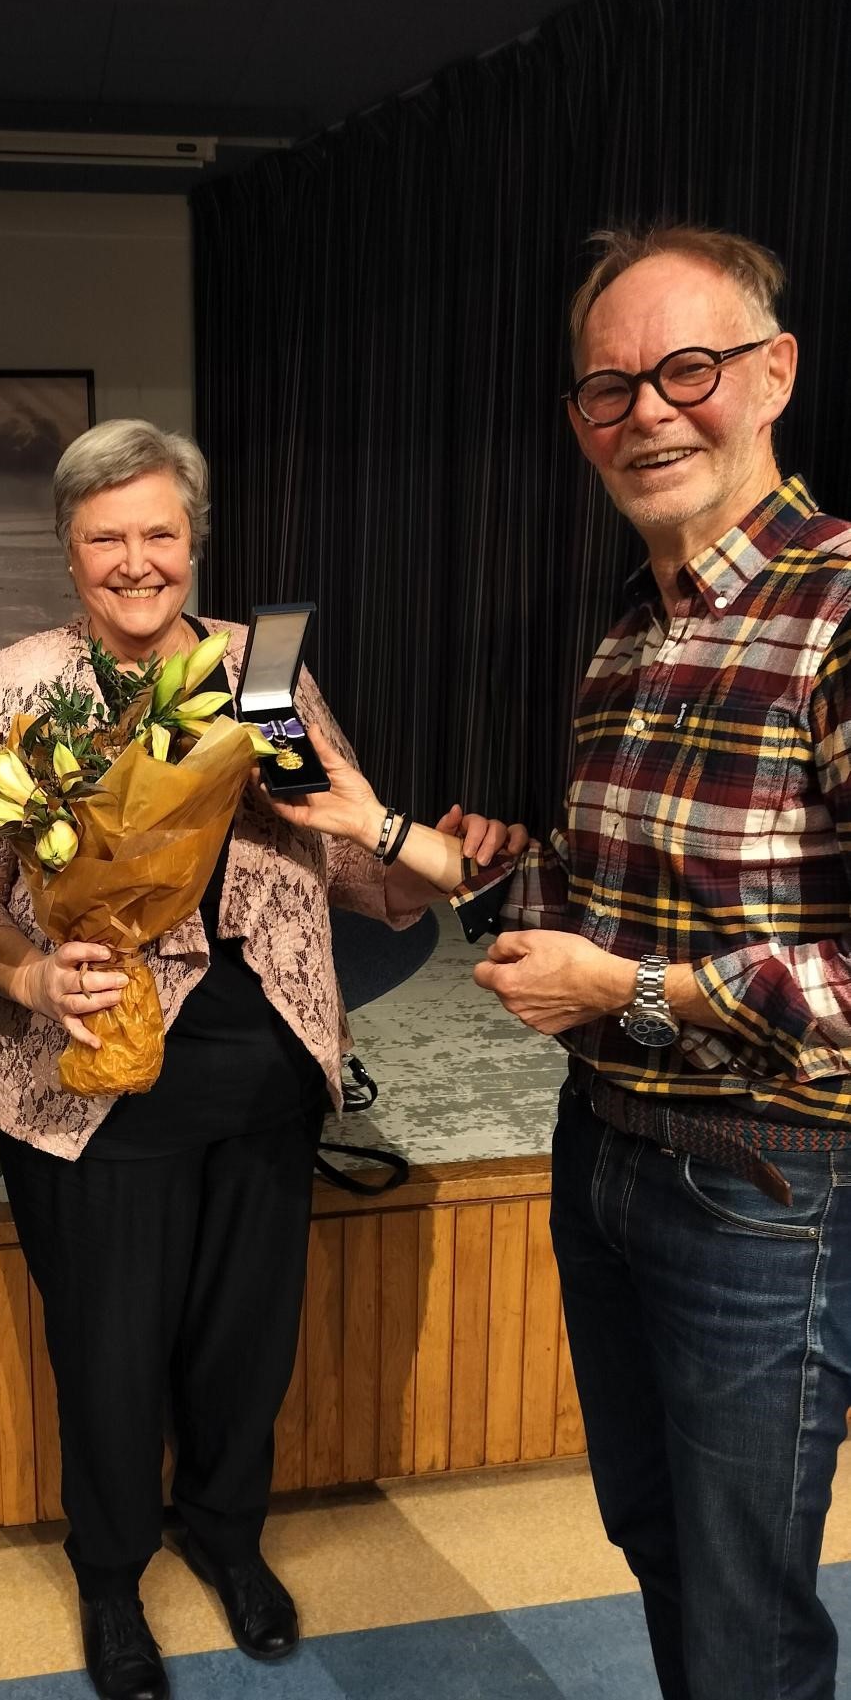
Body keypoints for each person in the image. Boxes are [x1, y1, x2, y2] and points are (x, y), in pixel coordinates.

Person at [0, 417, 524, 1700]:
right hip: (92, 1075)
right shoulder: (21, 684)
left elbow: (350, 855)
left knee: (245, 1339)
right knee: (110, 1346)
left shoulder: (265, 673)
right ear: (69, 549)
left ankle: (225, 1532)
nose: (136, 562)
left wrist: (436, 853)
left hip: (263, 1062)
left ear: (194, 542)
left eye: (160, 534)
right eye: (106, 538)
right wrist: (24, 969)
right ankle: (109, 1575)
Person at [461, 226, 850, 1700]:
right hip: (605, 1148)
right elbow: (614, 902)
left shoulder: (833, 603)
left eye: (684, 368)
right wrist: (413, 841)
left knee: (745, 1608)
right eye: (607, 387)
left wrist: (626, 992)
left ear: (772, 373)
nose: (646, 412)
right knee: (660, 1542)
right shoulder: (634, 631)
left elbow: (641, 967)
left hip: (763, 1183)